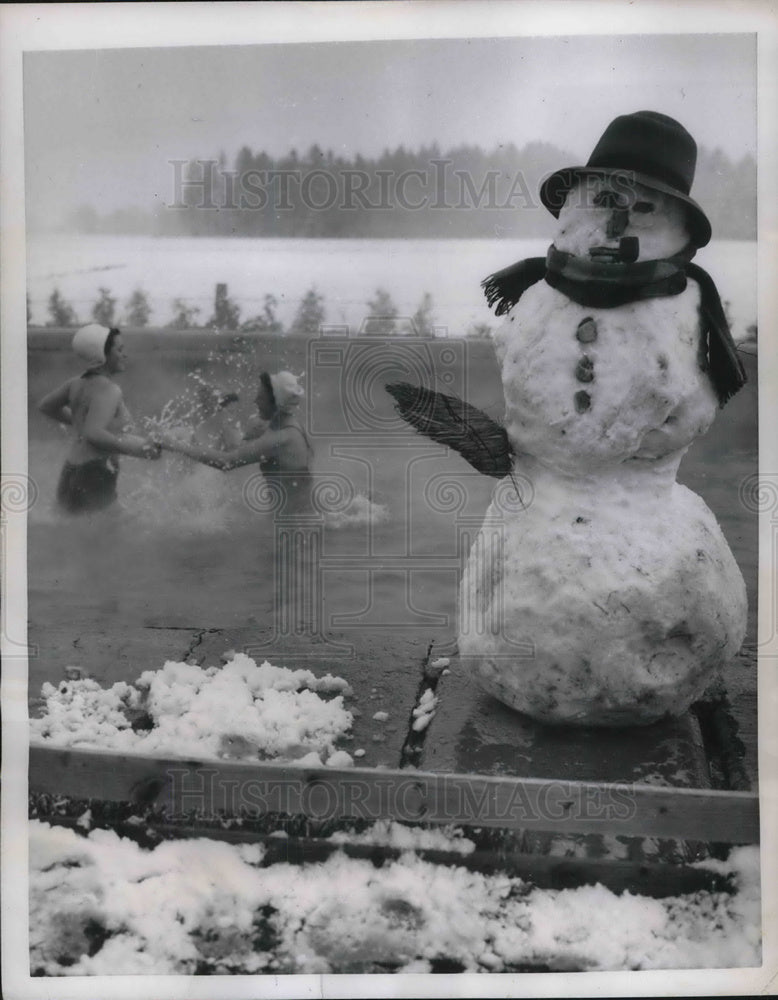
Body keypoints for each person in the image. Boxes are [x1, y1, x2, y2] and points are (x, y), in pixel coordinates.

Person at [38, 324, 161, 514]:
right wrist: (139, 449)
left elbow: (46, 406)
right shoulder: (110, 390)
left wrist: (82, 423)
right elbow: (94, 434)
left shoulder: (75, 383)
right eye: (119, 349)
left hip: (70, 472)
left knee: (71, 536)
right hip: (94, 473)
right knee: (131, 535)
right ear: (102, 355)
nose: (124, 355)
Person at [156, 370, 314, 513]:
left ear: (276, 402)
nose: (256, 401)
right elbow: (238, 446)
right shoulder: (290, 427)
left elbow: (226, 461)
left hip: (293, 525)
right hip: (296, 519)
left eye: (261, 397)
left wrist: (174, 445)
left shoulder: (280, 438)